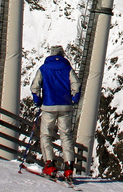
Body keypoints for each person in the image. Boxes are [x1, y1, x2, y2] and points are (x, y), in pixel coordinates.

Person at [31, 45, 81, 179]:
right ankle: (69, 167)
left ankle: (50, 164)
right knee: (66, 136)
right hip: (65, 106)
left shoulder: (44, 68)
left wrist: (38, 100)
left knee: (46, 135)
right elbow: (76, 85)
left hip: (48, 105)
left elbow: (35, 87)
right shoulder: (67, 68)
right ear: (62, 55)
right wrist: (74, 98)